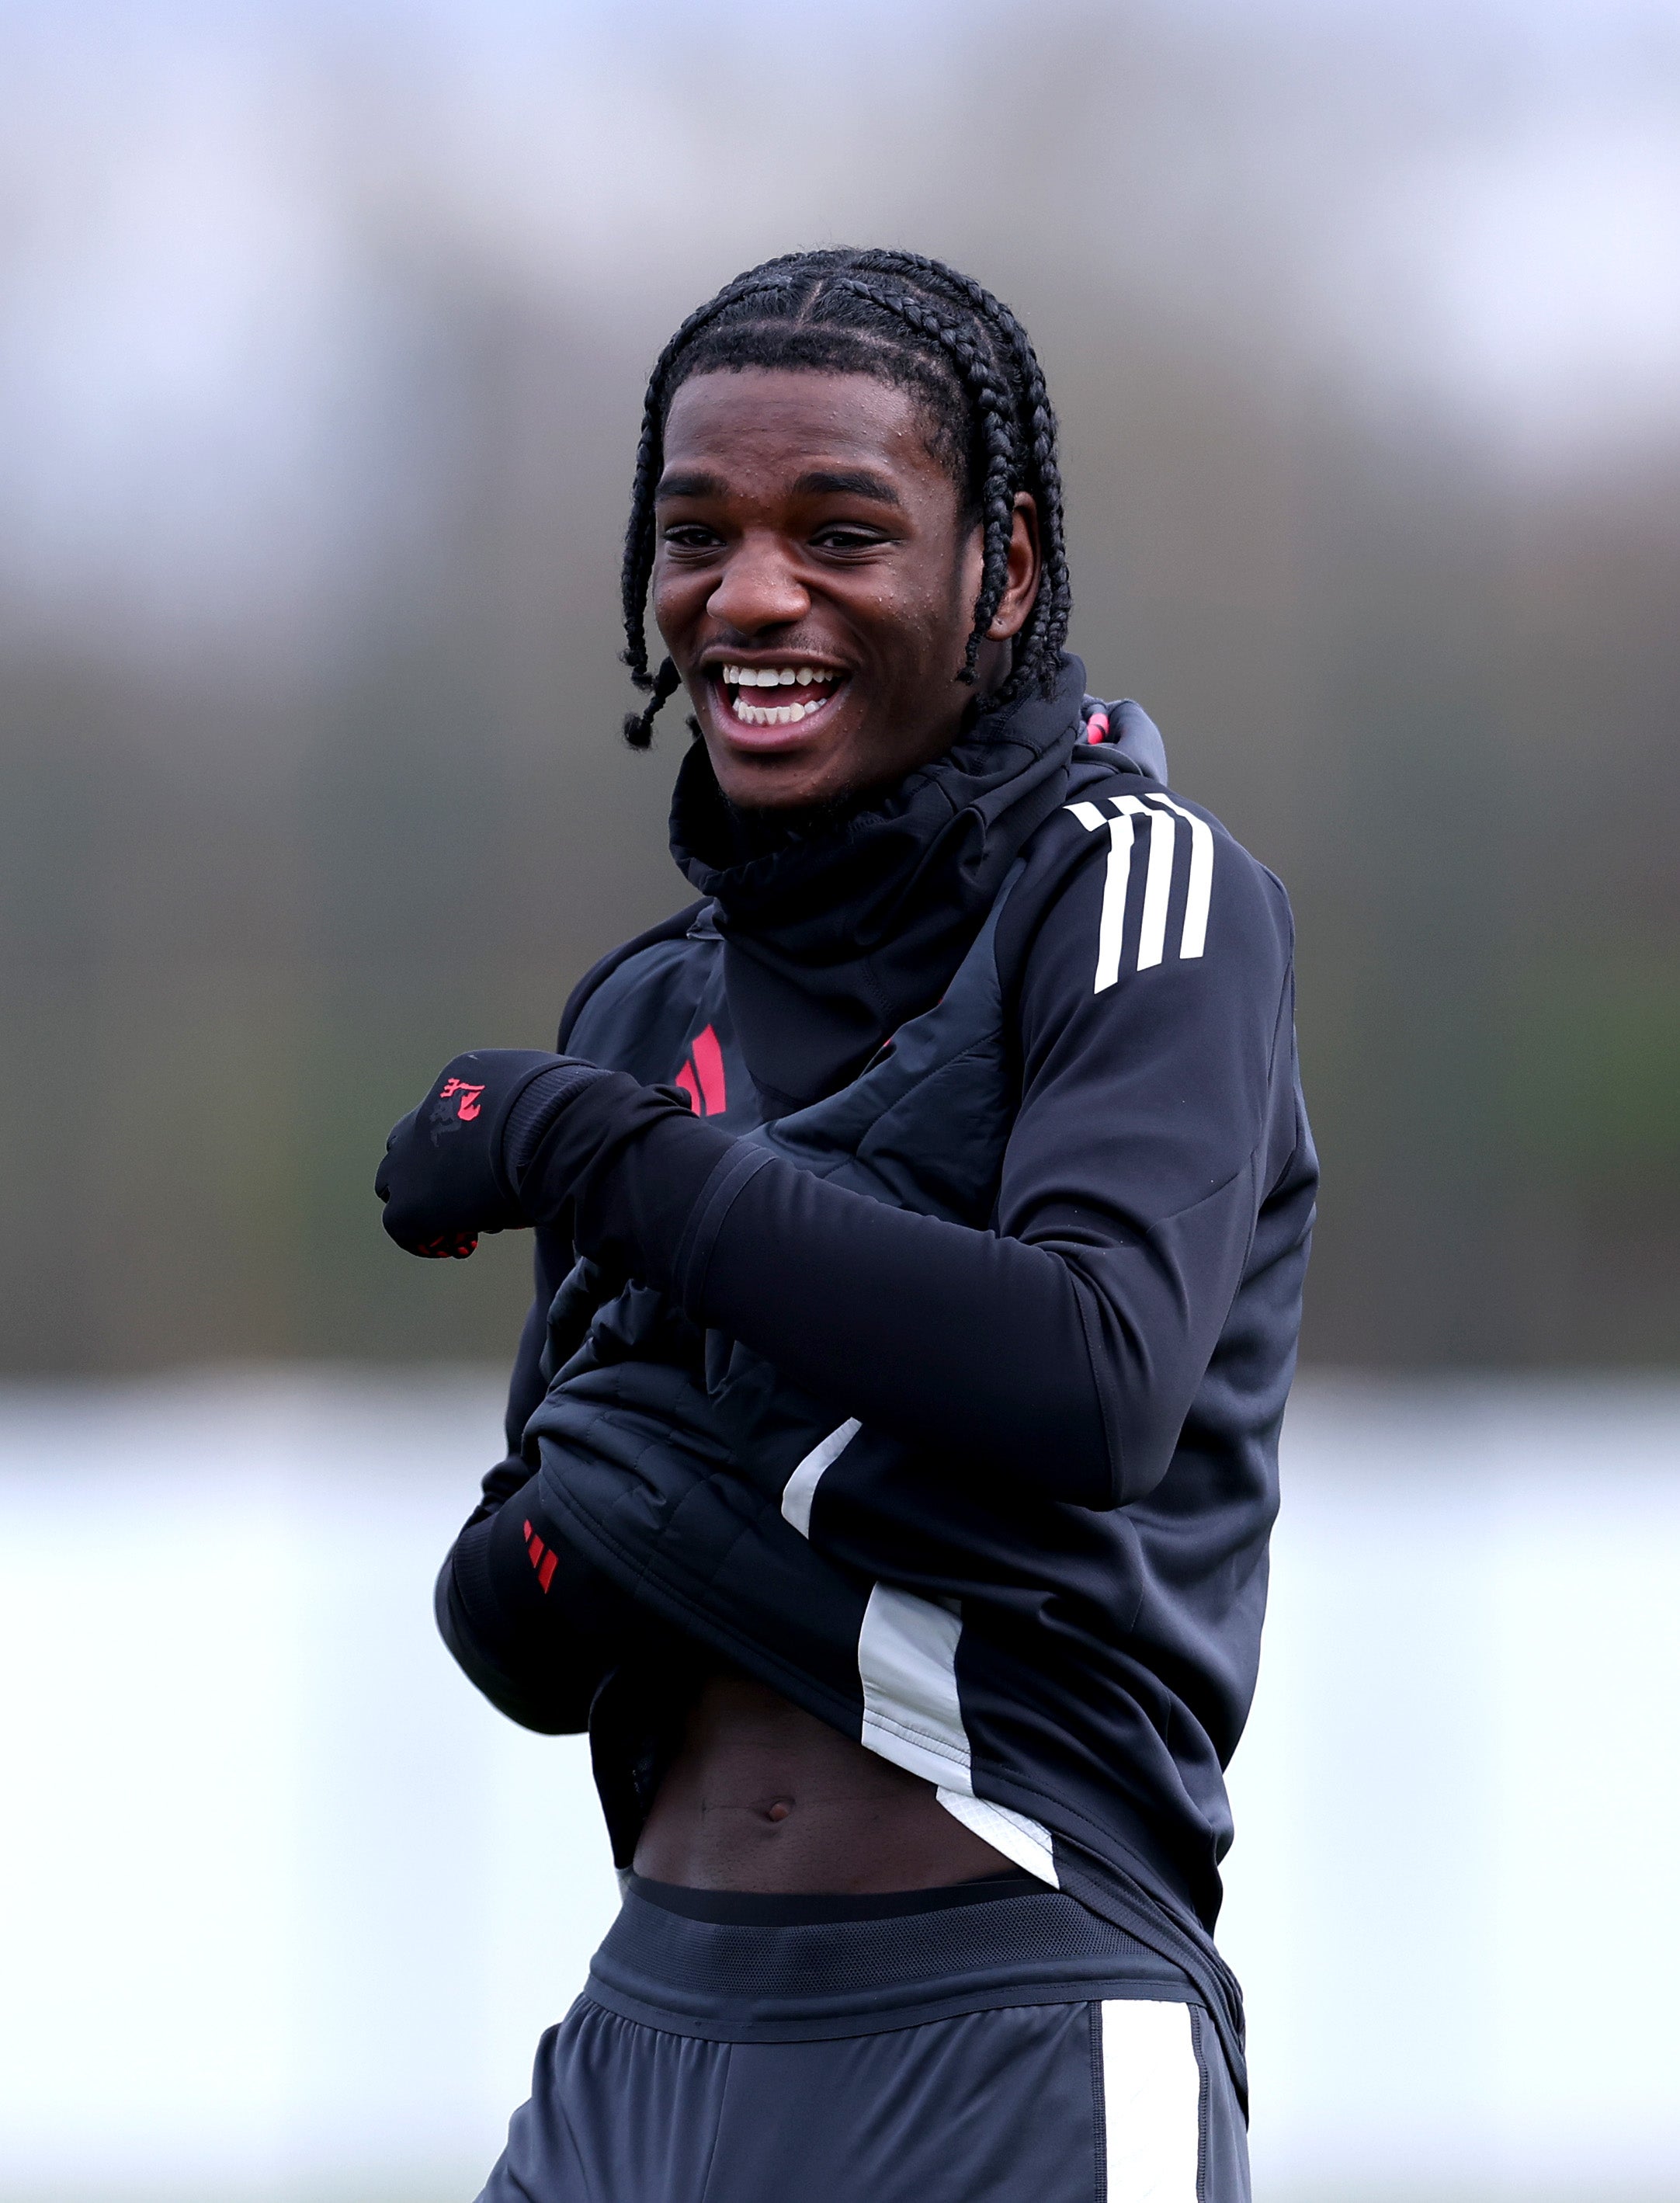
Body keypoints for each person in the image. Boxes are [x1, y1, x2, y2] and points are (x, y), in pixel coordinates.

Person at [376, 247, 1316, 2203]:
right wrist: (664, 1467)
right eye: (694, 533)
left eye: (841, 529)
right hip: (642, 2040)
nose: (750, 595)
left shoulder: (1134, 899)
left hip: (1011, 2016)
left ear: (1005, 566)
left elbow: (1087, 1374)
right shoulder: (648, 1013)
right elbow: (520, 1625)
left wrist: (601, 1167)